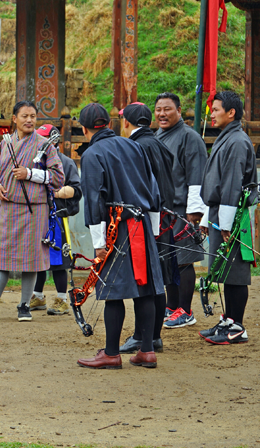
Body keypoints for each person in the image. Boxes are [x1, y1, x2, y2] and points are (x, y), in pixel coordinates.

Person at [74, 102, 163, 370]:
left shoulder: (92, 154)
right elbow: (153, 188)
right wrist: (154, 230)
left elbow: (94, 200)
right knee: (144, 290)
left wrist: (99, 244)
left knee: (113, 291)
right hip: (143, 224)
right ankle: (146, 350)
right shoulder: (133, 145)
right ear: (110, 124)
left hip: (117, 228)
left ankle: (111, 353)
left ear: (84, 129)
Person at [0, 101, 64, 322]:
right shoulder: (4, 144)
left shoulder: (45, 145)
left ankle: (24, 306)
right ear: (14, 119)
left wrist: (29, 174)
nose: (29, 120)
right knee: (1, 256)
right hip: (8, 207)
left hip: (35, 209)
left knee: (31, 258)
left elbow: (59, 178)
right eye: (24, 116)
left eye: (33, 116)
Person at [116, 102, 175, 355]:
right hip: (163, 216)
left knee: (146, 279)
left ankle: (144, 336)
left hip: (148, 222)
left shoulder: (137, 145)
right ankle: (153, 336)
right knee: (157, 280)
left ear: (127, 122)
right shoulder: (157, 142)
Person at [199, 91, 256, 345]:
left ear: (231, 113)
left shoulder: (236, 141)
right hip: (221, 211)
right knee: (225, 268)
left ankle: (237, 326)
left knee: (235, 271)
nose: (212, 114)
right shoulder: (229, 137)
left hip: (232, 212)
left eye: (216, 109)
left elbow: (233, 183)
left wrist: (226, 222)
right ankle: (228, 319)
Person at [154, 92, 208, 329]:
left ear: (178, 110)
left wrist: (195, 209)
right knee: (168, 259)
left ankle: (185, 310)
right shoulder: (158, 135)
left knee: (184, 260)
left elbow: (197, 174)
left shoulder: (189, 137)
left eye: (167, 109)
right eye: (158, 110)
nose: (162, 114)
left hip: (184, 209)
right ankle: (171, 305)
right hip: (165, 210)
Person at [29, 124, 81, 316]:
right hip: (35, 217)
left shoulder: (66, 162)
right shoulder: (33, 160)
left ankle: (61, 298)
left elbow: (76, 189)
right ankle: (37, 295)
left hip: (56, 218)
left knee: (58, 260)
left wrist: (55, 192)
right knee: (37, 259)